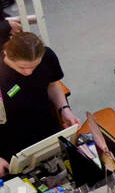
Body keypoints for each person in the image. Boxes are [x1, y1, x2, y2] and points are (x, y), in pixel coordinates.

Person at [0, 32, 76, 172]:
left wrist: (64, 109)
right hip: (10, 143)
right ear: (6, 54)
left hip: (46, 130)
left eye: (34, 66)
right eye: (22, 67)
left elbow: (52, 85)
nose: (29, 72)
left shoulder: (48, 56)